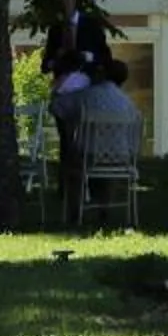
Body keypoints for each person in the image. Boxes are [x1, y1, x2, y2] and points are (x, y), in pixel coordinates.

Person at [64, 58, 143, 230]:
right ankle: (104, 208)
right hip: (121, 158)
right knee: (108, 164)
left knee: (72, 162)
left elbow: (58, 107)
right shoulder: (127, 103)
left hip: (89, 155)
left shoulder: (87, 95)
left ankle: (75, 211)